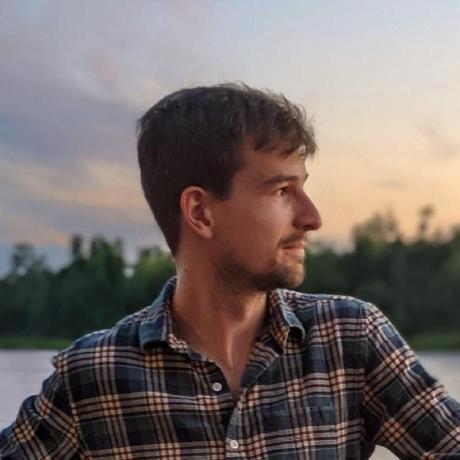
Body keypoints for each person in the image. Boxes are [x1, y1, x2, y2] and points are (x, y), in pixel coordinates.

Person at [1, 83, 459, 459]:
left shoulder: (352, 338)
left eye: (303, 188)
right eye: (281, 190)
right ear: (200, 212)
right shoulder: (92, 375)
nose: (312, 217)